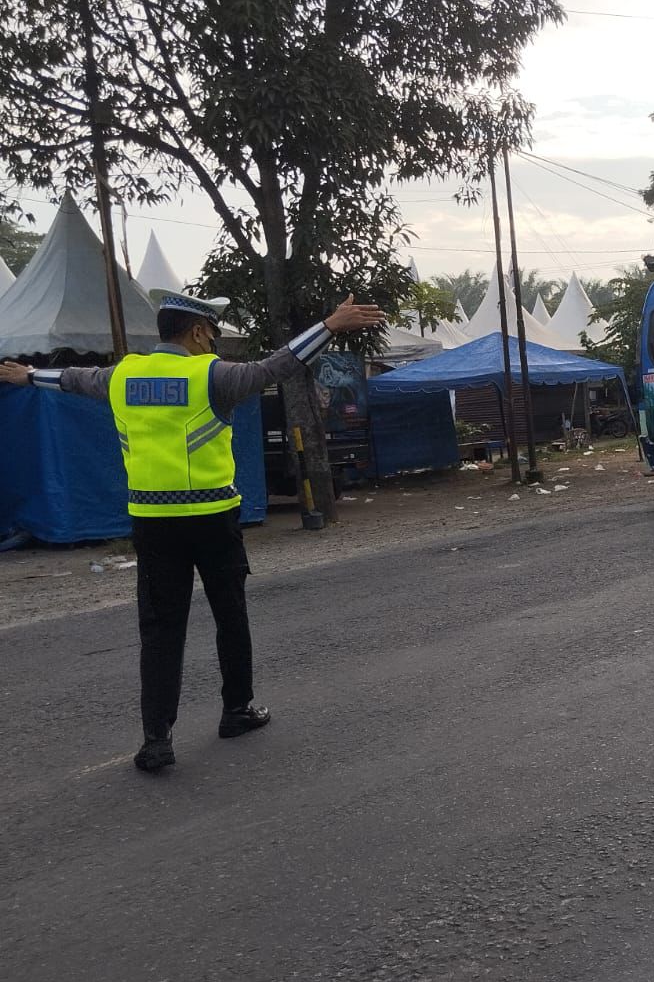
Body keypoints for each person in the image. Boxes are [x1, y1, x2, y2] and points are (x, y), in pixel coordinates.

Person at [0, 290, 384, 773]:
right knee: (230, 614)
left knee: (160, 629)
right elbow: (277, 366)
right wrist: (329, 325)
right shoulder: (213, 375)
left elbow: (73, 380)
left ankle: (156, 739)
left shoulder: (122, 376)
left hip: (151, 523)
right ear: (199, 331)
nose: (213, 342)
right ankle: (236, 710)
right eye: (212, 334)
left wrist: (29, 375)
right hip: (212, 518)